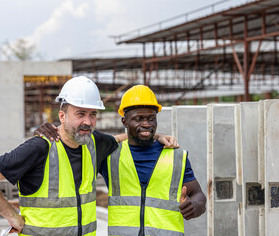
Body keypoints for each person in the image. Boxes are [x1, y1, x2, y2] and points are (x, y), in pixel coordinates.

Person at [0, 76, 176, 236]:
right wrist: (12, 217)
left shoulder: (95, 143)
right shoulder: (39, 147)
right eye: (80, 114)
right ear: (62, 116)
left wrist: (156, 136)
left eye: (93, 114)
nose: (88, 121)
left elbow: (120, 137)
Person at [38, 85, 206, 236]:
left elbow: (198, 195)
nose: (146, 124)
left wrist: (196, 206)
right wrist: (51, 130)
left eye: (151, 118)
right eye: (138, 119)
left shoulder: (175, 155)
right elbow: (72, 142)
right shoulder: (110, 155)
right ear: (124, 121)